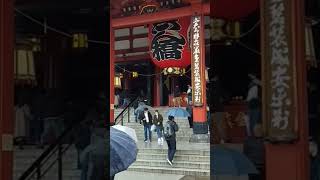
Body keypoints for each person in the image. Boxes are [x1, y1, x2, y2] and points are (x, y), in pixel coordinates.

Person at [212, 75, 225, 143]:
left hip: (214, 109)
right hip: (219, 109)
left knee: (214, 126)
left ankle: (215, 139)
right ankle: (221, 139)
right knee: (219, 125)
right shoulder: (220, 87)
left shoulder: (212, 86)